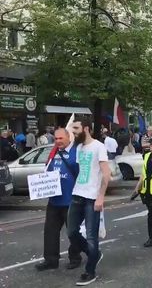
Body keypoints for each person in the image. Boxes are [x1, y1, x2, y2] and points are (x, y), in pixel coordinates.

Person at [67, 117, 111, 286]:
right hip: (77, 194)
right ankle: (95, 254)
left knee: (92, 237)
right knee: (72, 232)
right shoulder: (79, 147)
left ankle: (90, 271)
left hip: (92, 197)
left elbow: (106, 174)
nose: (73, 132)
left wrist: (100, 197)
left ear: (85, 128)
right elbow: (82, 172)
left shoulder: (99, 147)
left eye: (76, 128)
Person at [35, 128, 81, 271]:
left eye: (61, 138)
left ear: (68, 138)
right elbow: (47, 171)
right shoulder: (54, 152)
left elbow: (81, 175)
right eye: (56, 139)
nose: (58, 141)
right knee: (50, 231)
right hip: (54, 201)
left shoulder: (76, 153)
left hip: (70, 201)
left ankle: (75, 258)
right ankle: (51, 260)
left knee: (72, 232)